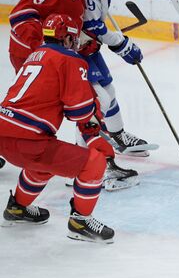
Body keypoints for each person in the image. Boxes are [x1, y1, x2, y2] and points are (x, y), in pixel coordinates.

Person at [0, 14, 114, 243]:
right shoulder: (72, 60)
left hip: (4, 133)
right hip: (29, 141)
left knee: (44, 165)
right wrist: (93, 120)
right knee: (94, 163)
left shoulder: (35, 55)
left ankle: (17, 208)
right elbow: (78, 111)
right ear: (69, 39)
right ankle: (80, 222)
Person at [79, 0, 151, 157]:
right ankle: (83, 160)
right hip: (75, 49)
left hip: (86, 46)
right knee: (93, 102)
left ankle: (118, 135)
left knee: (108, 90)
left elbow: (96, 24)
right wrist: (122, 44)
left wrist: (118, 43)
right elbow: (94, 27)